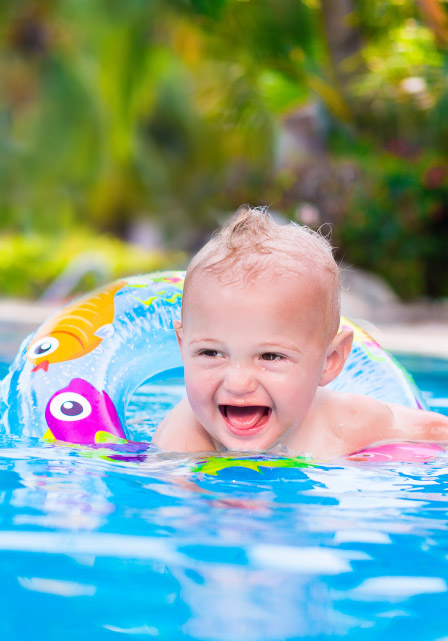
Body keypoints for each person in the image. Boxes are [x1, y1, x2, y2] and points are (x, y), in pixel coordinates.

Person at [153, 206, 448, 458]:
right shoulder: (182, 444)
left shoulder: (343, 421)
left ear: (330, 361)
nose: (238, 382)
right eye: (211, 352)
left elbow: (433, 429)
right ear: (182, 346)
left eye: (270, 356)